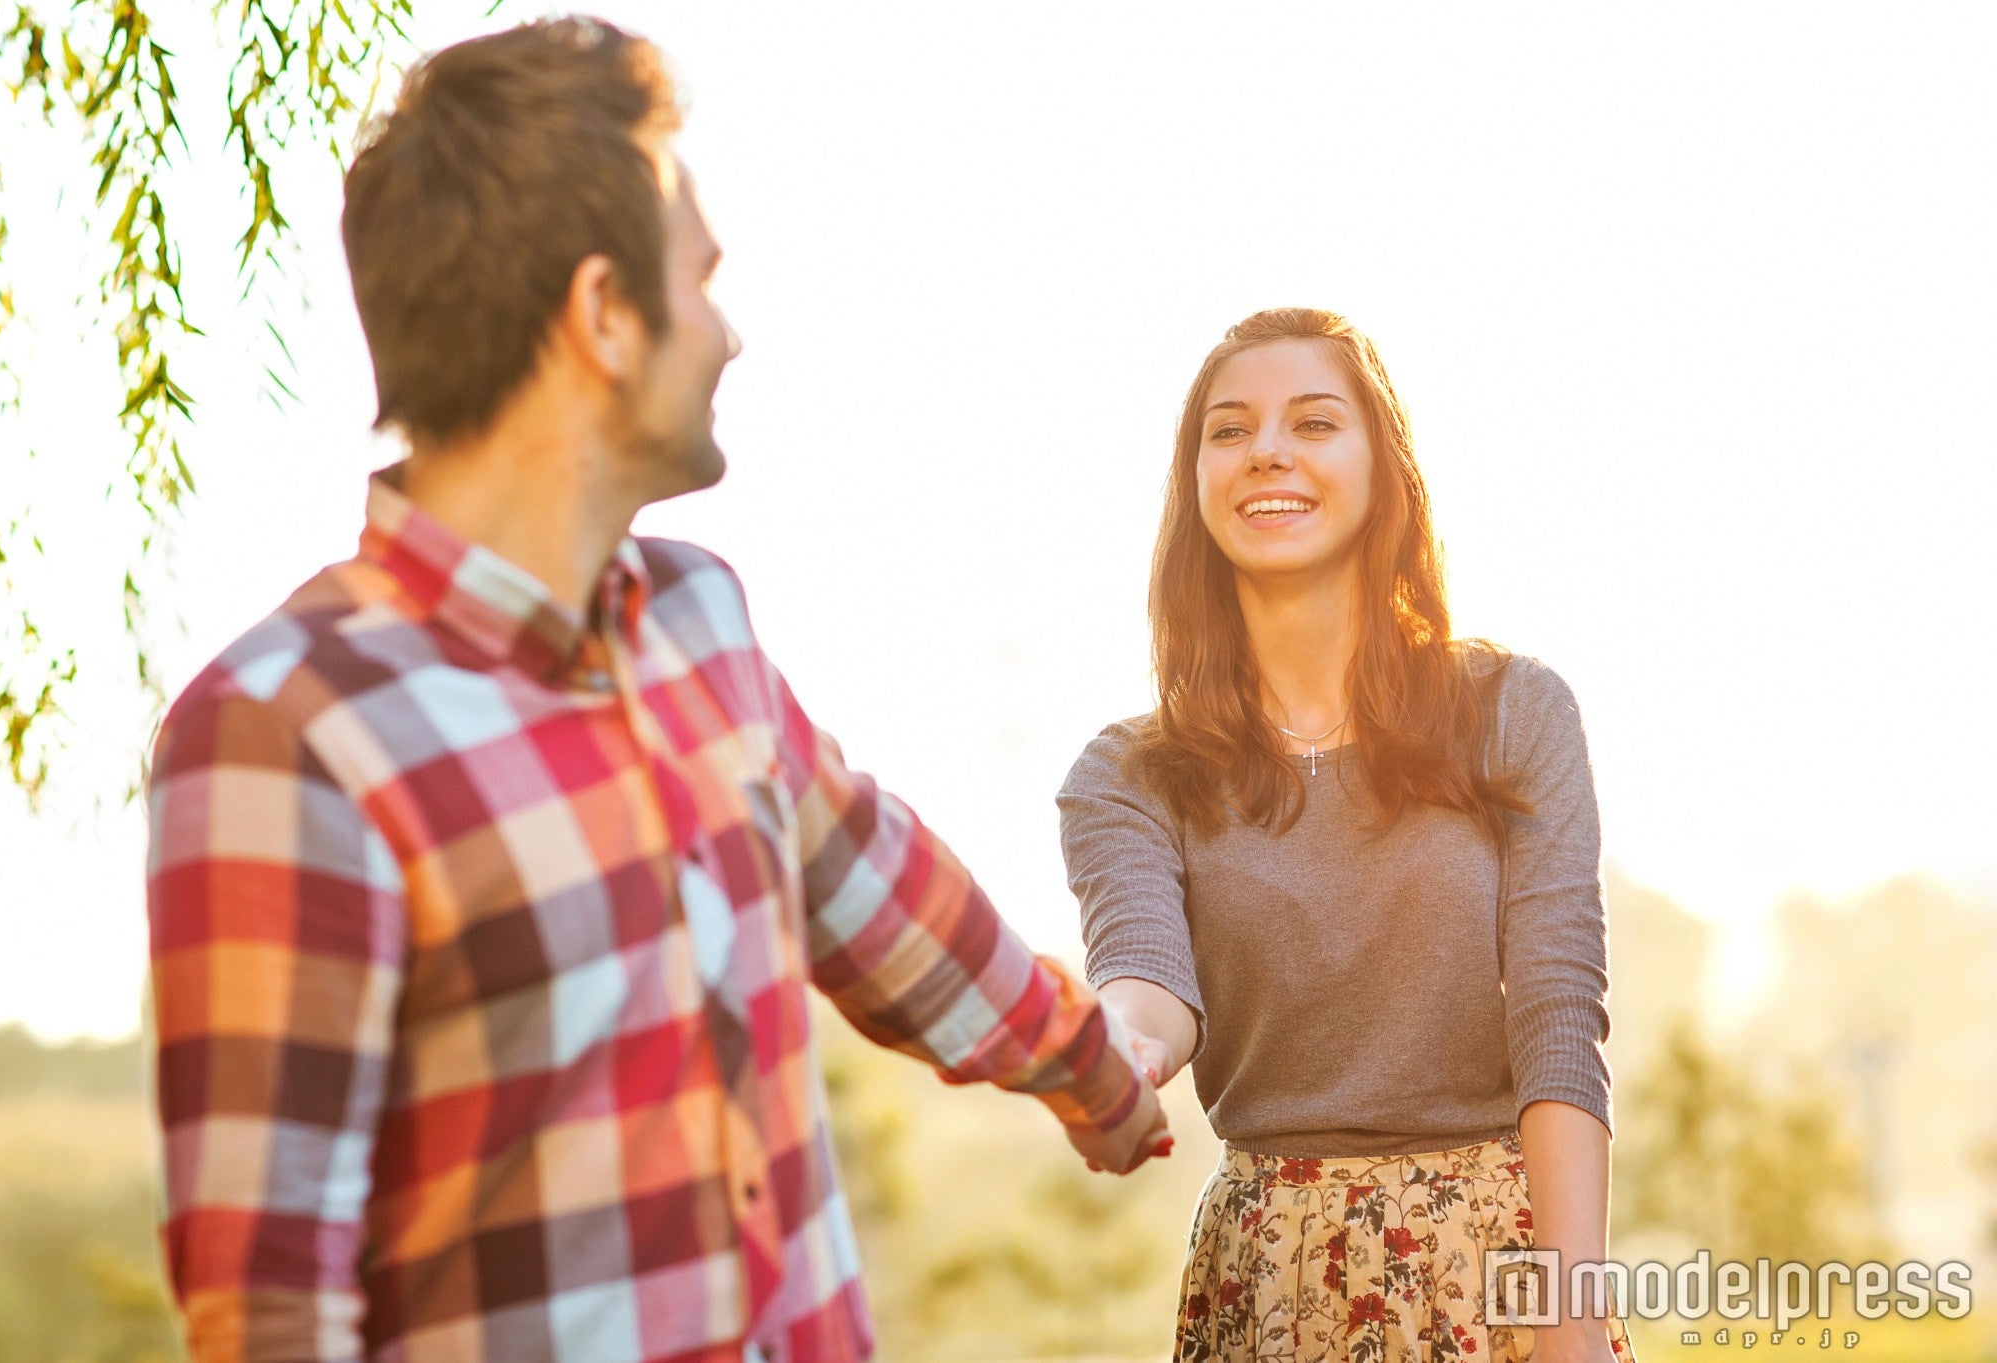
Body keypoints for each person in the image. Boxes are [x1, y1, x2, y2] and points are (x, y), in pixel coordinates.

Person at [142, 18, 1169, 1363]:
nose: (731, 333)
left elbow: (869, 878)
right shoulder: (286, 735)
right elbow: (270, 1302)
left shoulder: (700, 623)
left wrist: (1092, 1065)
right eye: (702, 280)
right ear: (605, 315)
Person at [1057, 308, 1638, 1362]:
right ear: (1196, 483)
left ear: (1384, 470)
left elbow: (1557, 1024)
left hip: (1499, 1270)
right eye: (1227, 430)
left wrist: (1572, 1320)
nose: (1266, 449)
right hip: (1272, 1279)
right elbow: (1144, 977)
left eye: (1312, 422)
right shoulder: (1126, 774)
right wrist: (1116, 1039)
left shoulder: (1512, 709)